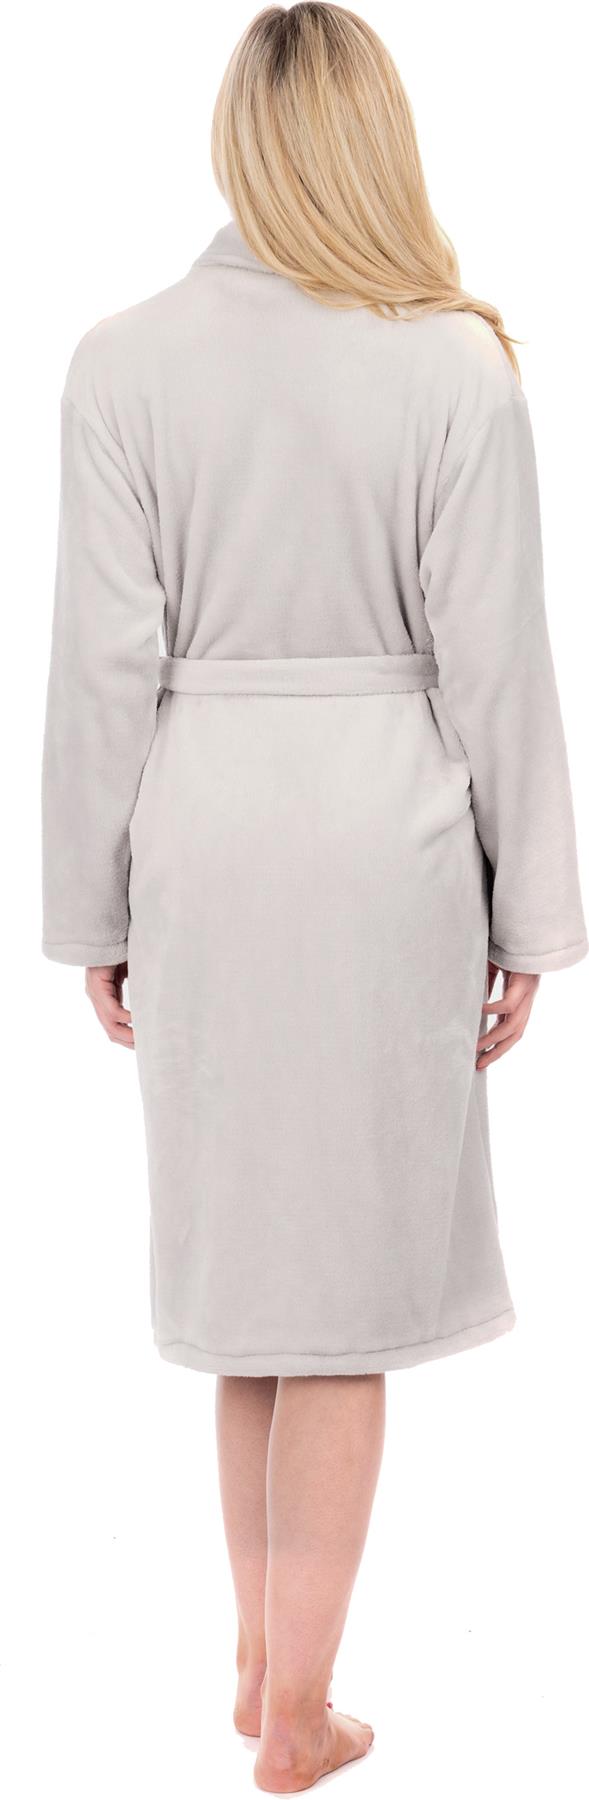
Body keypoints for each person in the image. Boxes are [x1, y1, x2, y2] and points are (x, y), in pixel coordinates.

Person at [40, 3, 587, 1792]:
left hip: (201, 835)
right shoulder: (452, 367)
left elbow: (97, 668)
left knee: (252, 1293)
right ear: (375, 137)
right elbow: (498, 663)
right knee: (339, 1301)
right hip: (382, 847)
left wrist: (92, 908)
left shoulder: (122, 361)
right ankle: (297, 1710)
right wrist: (535, 918)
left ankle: (264, 1663)